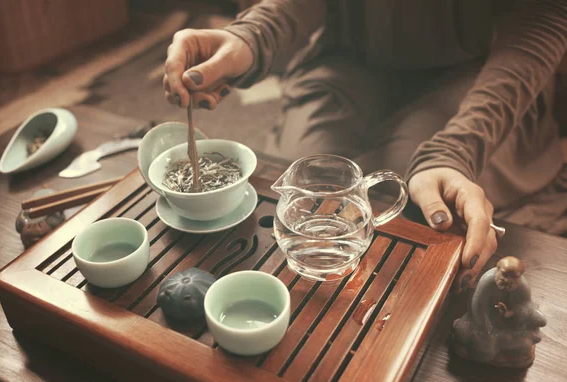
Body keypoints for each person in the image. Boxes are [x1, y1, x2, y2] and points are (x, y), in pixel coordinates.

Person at [163, 0, 567, 291]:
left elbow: (544, 15)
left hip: (477, 65)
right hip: (351, 54)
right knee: (312, 170)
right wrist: (253, 37)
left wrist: (456, 151)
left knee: (409, 195)